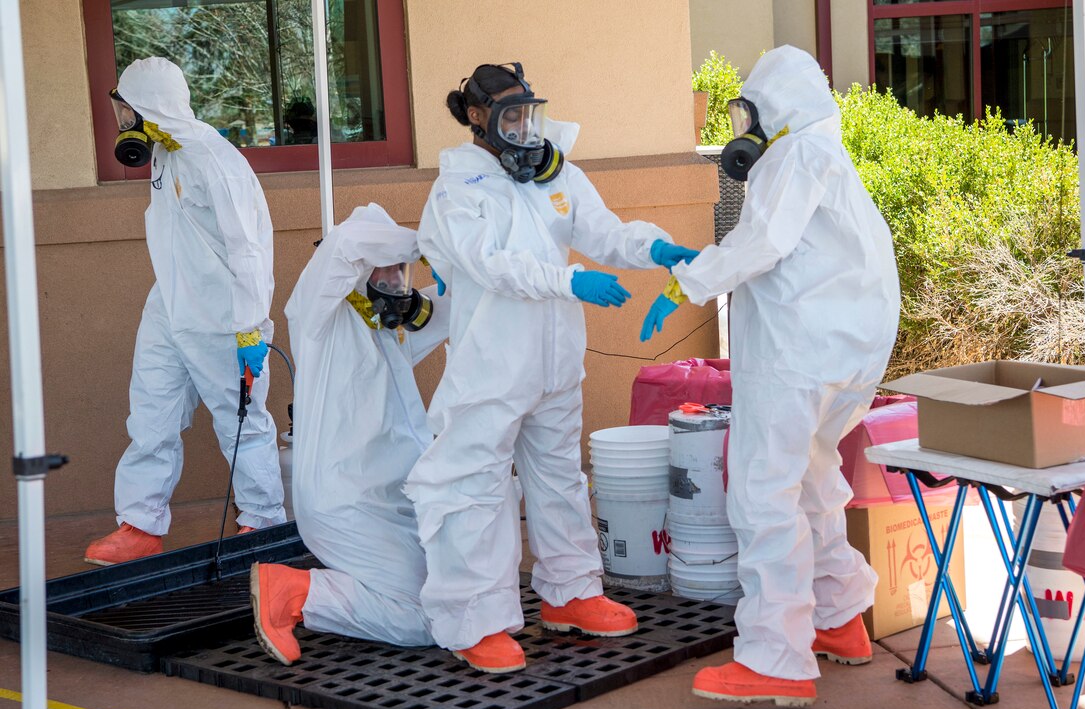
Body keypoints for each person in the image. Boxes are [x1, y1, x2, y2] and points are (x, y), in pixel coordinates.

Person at [404, 62, 700, 674]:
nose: (524, 126)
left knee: (561, 477)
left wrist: (657, 249)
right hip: (491, 366)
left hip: (555, 362)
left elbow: (605, 232)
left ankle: (571, 593)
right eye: (510, 114)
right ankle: (474, 621)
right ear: (478, 118)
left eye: (528, 112)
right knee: (475, 489)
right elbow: (493, 267)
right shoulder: (457, 192)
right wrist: (569, 280)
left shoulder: (552, 173)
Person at [642, 45, 900, 707]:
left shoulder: (794, 156)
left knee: (762, 495)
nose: (743, 128)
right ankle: (838, 616)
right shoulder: (826, 155)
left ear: (776, 106)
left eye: (748, 112)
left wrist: (687, 282)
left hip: (798, 355)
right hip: (844, 354)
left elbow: (761, 243)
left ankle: (776, 658)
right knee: (811, 478)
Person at [84, 58, 285, 566]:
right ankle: (140, 524)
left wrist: (250, 328)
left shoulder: (214, 161)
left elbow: (248, 250)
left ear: (149, 109)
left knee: (242, 422)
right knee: (151, 414)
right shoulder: (163, 154)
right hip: (169, 306)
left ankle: (262, 524)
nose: (122, 122)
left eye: (126, 111)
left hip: (222, 316)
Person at [250, 203, 450, 664]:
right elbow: (345, 245)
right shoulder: (319, 316)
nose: (396, 284)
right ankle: (294, 592)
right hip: (345, 505)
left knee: (456, 605)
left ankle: (327, 590)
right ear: (359, 269)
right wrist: (432, 243)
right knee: (427, 620)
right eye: (385, 270)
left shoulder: (382, 330)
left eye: (401, 273)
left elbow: (454, 311)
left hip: (396, 503)